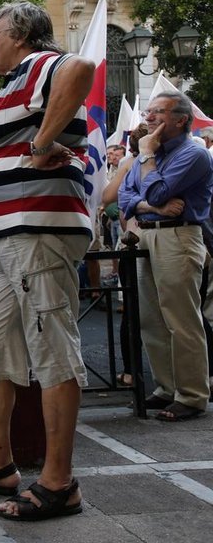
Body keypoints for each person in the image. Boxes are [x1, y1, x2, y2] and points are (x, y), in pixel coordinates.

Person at [0, 0, 94, 522]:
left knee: (51, 347)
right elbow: (12, 135)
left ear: (22, 35)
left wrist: (44, 142)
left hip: (36, 230)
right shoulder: (16, 86)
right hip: (10, 238)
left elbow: (82, 68)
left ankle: (58, 484)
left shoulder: (43, 64)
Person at [118, 91, 213, 422]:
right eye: (149, 111)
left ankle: (191, 395)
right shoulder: (155, 153)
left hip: (178, 236)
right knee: (151, 318)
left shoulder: (193, 154)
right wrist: (151, 205)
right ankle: (167, 387)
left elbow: (154, 189)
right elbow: (125, 195)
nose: (150, 117)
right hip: (148, 233)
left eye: (158, 112)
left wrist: (145, 157)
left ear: (181, 120)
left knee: (181, 319)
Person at [102, 124, 148, 387]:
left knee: (132, 310)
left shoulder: (130, 164)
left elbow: (107, 196)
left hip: (135, 238)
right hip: (144, 239)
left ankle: (131, 372)